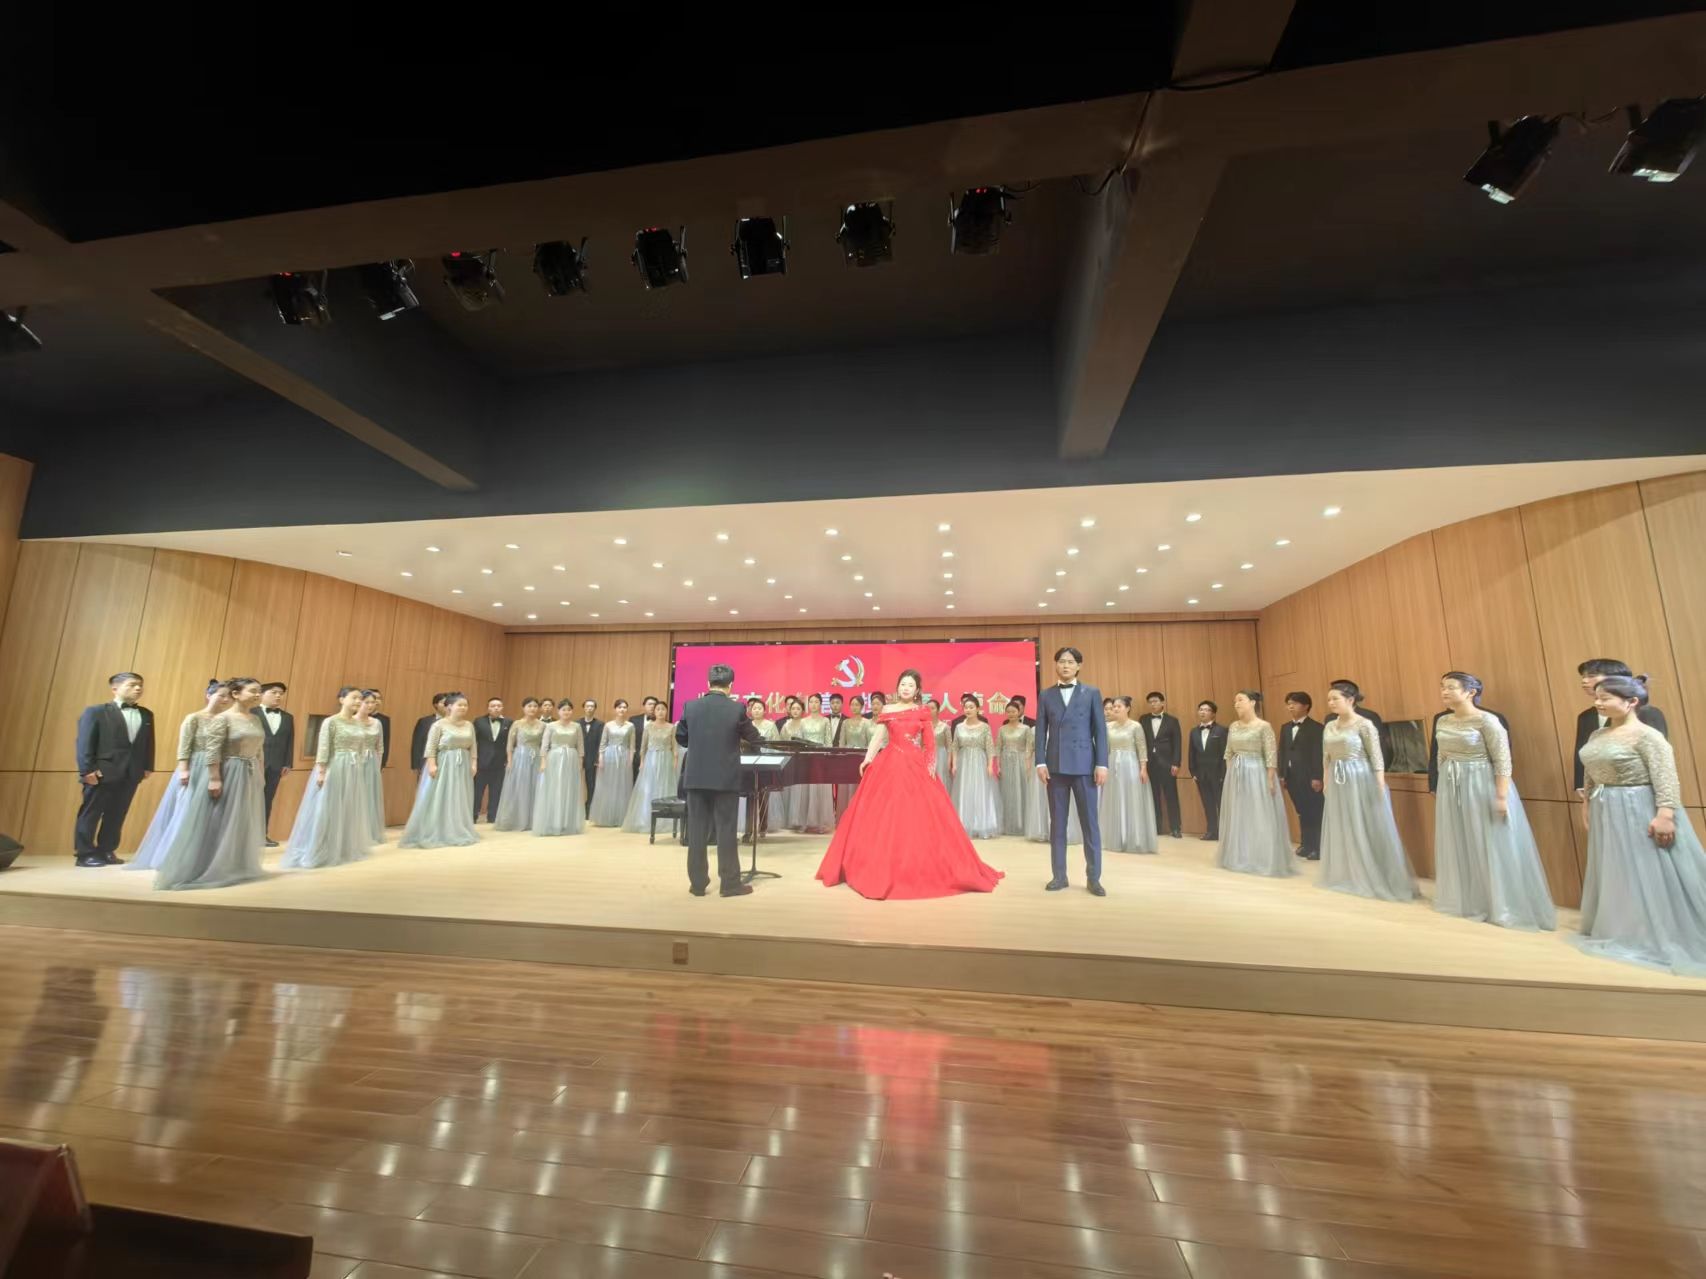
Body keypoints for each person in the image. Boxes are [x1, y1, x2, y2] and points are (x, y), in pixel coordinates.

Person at [816, 670, 1003, 899]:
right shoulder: (888, 710)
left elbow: (929, 743)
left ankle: (918, 865)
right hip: (889, 762)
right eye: (903, 684)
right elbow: (878, 737)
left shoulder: (922, 711)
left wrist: (930, 765)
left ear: (917, 690)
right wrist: (868, 758)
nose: (905, 688)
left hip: (915, 765)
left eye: (910, 685)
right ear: (898, 687)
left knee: (920, 816)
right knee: (882, 815)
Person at [1574, 674, 1706, 974]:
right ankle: (1624, 927)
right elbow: (1591, 771)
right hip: (1606, 806)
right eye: (1597, 697)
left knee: (1647, 869)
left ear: (1631, 701)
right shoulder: (1597, 735)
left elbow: (1666, 776)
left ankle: (1654, 932)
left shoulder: (1647, 736)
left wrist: (1665, 814)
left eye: (1605, 698)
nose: (1598, 703)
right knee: (1618, 868)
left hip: (1638, 806)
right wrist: (1587, 802)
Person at [1432, 672, 1556, 930]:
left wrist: (1501, 795)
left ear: (1471, 692)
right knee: (1462, 838)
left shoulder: (1488, 720)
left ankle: (1502, 904)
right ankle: (1473, 901)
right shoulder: (1442, 720)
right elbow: (1441, 755)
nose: (1444, 692)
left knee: (1490, 840)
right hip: (1452, 784)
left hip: (1482, 783)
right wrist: (1442, 785)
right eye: (1443, 687)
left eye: (1451, 687)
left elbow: (1502, 760)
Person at [157, 678, 267, 891]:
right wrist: (214, 778)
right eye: (253, 691)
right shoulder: (223, 719)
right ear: (236, 694)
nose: (258, 695)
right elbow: (212, 751)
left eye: (259, 691)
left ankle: (236, 865)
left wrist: (260, 773)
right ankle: (208, 866)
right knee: (219, 818)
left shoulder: (255, 719)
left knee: (241, 819)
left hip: (249, 771)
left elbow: (260, 749)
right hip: (229, 770)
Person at [1319, 680, 1416, 902]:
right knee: (1344, 824)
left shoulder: (1365, 724)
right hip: (1337, 779)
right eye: (1329, 699)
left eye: (1335, 698)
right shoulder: (1329, 725)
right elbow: (1326, 756)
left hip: (1359, 777)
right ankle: (1350, 874)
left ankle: (1372, 875)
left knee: (1363, 823)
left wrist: (1380, 783)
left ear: (1350, 700)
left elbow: (1376, 756)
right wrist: (1326, 779)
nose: (1331, 702)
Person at [678, 664, 765, 896]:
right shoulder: (737, 709)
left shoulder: (690, 706)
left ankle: (697, 885)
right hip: (725, 778)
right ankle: (730, 884)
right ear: (731, 686)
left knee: (697, 831)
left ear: (708, 684)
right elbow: (754, 738)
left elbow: (682, 738)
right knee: (726, 830)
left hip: (696, 778)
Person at [131, 680, 230, 872]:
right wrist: (184, 769)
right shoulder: (194, 718)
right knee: (186, 810)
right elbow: (184, 746)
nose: (225, 700)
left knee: (209, 813)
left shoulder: (226, 720)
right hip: (195, 766)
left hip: (217, 767)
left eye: (228, 697)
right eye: (221, 695)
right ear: (208, 695)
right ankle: (174, 857)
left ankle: (200, 857)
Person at [1036, 647, 1109, 896]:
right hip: (1055, 768)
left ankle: (1094, 878)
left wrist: (1101, 764)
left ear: (1079, 666)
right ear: (1056, 665)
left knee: (1090, 824)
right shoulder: (1046, 695)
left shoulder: (1091, 693)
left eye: (1070, 662)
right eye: (1061, 661)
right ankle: (1059, 876)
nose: (1065, 665)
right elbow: (1040, 731)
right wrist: (1040, 762)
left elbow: (1100, 731)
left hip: (1085, 767)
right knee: (1057, 824)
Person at [282, 686, 380, 870]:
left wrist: (360, 766)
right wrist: (321, 771)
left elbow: (361, 747)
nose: (358, 701)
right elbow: (324, 747)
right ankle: (319, 848)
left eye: (360, 698)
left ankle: (341, 848)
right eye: (354, 698)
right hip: (335, 766)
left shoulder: (358, 723)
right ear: (342, 700)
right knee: (326, 807)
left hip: (353, 768)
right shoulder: (331, 721)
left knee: (347, 807)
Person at [74, 672, 156, 867]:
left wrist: (147, 766)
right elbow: (84, 743)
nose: (138, 688)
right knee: (91, 812)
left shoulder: (146, 714)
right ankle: (84, 854)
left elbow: (149, 742)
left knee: (118, 813)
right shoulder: (95, 711)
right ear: (115, 688)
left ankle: (106, 850)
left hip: (131, 772)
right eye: (132, 684)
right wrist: (87, 770)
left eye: (140, 685)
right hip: (101, 772)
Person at [1217, 691, 1294, 878]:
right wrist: (1230, 775)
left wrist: (1270, 779)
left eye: (1240, 700)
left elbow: (1271, 755)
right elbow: (1228, 753)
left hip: (1257, 773)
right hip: (1236, 774)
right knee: (1239, 814)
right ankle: (1240, 856)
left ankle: (1262, 857)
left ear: (1252, 702)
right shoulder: (1233, 726)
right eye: (1235, 701)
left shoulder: (1263, 726)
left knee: (1259, 813)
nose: (1236, 704)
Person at [1573, 659, 1669, 793]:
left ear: (1616, 679)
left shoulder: (1648, 713)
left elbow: (1659, 760)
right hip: (1599, 791)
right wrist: (1581, 784)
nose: (1584, 681)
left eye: (1591, 676)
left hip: (1638, 790)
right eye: (1583, 677)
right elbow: (1582, 751)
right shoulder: (1585, 716)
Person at [400, 693, 479, 848]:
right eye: (460, 705)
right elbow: (431, 747)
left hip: (462, 764)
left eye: (465, 705)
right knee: (440, 796)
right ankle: (436, 829)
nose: (463, 708)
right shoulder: (439, 725)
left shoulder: (469, 725)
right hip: (444, 763)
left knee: (458, 796)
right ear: (449, 707)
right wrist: (432, 765)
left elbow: (473, 746)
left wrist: (474, 763)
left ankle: (456, 829)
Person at [1101, 697, 1157, 854]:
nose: (1115, 709)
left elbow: (1142, 748)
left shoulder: (1135, 726)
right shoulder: (1108, 726)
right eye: (1114, 706)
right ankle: (1118, 838)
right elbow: (1105, 749)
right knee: (1115, 799)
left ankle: (1135, 839)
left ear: (1128, 708)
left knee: (1131, 798)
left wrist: (1143, 768)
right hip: (1113, 764)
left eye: (1119, 706)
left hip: (1130, 764)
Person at [1278, 692, 1324, 860]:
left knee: (1315, 811)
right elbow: (1282, 752)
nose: (1290, 706)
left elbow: (1317, 754)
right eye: (1289, 703)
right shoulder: (1285, 727)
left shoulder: (1317, 728)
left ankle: (1318, 847)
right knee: (1302, 811)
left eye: (1295, 703)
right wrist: (1282, 775)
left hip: (1309, 777)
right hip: (1291, 776)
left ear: (1306, 706)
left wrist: (1317, 777)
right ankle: (1306, 844)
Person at [624, 700, 682, 832]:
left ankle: (665, 821)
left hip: (666, 759)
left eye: (663, 709)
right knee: (648, 788)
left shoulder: (671, 727)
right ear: (654, 712)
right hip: (651, 760)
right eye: (658, 709)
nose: (661, 712)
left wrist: (675, 761)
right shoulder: (649, 727)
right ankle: (644, 819)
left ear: (667, 711)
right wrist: (642, 762)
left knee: (664, 787)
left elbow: (674, 747)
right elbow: (643, 747)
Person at [949, 694, 1000, 839]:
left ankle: (982, 825)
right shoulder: (959, 727)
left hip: (979, 762)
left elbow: (989, 747)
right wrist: (954, 764)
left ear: (978, 709)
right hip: (964, 763)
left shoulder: (985, 727)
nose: (968, 710)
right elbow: (955, 747)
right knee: (965, 792)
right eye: (966, 707)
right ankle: (964, 825)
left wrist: (990, 765)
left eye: (971, 707)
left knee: (980, 792)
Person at [533, 701, 586, 836]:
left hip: (572, 758)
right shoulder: (550, 726)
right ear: (558, 711)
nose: (566, 712)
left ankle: (567, 822)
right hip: (554, 758)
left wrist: (580, 762)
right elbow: (545, 745)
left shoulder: (577, 726)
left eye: (569, 709)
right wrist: (543, 762)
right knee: (555, 788)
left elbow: (580, 746)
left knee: (569, 789)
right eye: (563, 709)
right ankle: (554, 821)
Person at [494, 697, 547, 831]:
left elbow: (544, 745)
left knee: (535, 788)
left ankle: (533, 820)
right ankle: (517, 819)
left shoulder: (543, 725)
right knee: (519, 787)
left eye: (535, 706)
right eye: (529, 706)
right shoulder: (517, 724)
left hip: (536, 758)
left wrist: (543, 761)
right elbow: (510, 744)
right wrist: (510, 761)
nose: (532, 709)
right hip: (520, 757)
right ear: (523, 708)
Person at [253, 681, 294, 847]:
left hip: (276, 765)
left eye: (281, 693)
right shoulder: (251, 712)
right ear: (262, 694)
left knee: (267, 800)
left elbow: (289, 741)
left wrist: (287, 763)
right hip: (253, 763)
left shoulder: (288, 717)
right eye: (274, 692)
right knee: (247, 799)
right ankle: (243, 836)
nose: (278, 696)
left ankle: (262, 835)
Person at [788, 695, 836, 833]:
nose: (813, 704)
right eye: (811, 702)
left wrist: (827, 758)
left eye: (816, 702)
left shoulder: (825, 721)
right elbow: (800, 741)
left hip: (820, 759)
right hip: (805, 759)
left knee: (819, 790)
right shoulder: (803, 722)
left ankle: (820, 823)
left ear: (821, 704)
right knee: (805, 791)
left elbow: (828, 742)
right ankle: (804, 822)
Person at [1140, 691, 1183, 839]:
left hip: (1167, 764)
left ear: (1162, 702)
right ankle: (1156, 828)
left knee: (1171, 796)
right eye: (1150, 702)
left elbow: (1177, 743)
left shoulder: (1172, 721)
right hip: (1150, 764)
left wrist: (1176, 762)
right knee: (1153, 797)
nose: (1153, 704)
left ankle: (1176, 828)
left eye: (1156, 701)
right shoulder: (1143, 719)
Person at [589, 700, 636, 826]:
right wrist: (601, 759)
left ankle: (620, 817)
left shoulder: (630, 726)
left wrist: (630, 760)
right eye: (619, 707)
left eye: (624, 707)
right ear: (615, 709)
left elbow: (632, 746)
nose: (622, 709)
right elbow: (603, 743)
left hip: (624, 756)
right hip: (609, 755)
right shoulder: (608, 725)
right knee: (608, 785)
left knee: (622, 786)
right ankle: (606, 816)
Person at [1188, 700, 1228, 842]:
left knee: (1221, 804)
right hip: (1201, 774)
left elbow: (1225, 754)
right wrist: (1193, 772)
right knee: (1208, 804)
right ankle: (1212, 831)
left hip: (1218, 774)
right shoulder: (1194, 731)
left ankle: (1225, 832)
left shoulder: (1222, 730)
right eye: (1200, 709)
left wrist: (1224, 773)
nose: (1202, 712)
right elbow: (1191, 753)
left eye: (1206, 710)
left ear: (1213, 714)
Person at [741, 697, 780, 836]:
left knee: (764, 795)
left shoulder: (770, 725)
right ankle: (749, 828)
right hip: (749, 764)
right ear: (750, 710)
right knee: (750, 795)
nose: (756, 710)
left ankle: (763, 827)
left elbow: (776, 744)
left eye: (759, 708)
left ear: (764, 710)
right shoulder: (746, 725)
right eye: (754, 708)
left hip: (766, 763)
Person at [996, 696, 1033, 837]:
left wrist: (1028, 765)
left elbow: (1029, 748)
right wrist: (998, 766)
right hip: (1006, 762)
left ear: (1019, 712)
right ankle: (1007, 824)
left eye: (1013, 711)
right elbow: (998, 748)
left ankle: (1022, 824)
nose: (1011, 714)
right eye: (1008, 712)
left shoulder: (1026, 729)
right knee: (1006, 792)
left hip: (1021, 762)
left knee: (1021, 791)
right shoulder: (1002, 729)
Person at [471, 697, 511, 822]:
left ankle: (493, 816)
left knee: (496, 791)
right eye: (493, 706)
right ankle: (473, 815)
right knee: (477, 791)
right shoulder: (479, 721)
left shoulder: (509, 722)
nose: (496, 708)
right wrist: (473, 760)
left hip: (499, 763)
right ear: (488, 708)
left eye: (499, 706)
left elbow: (511, 743)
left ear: (502, 707)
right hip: (481, 762)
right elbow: (473, 741)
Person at [357, 691, 386, 840]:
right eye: (366, 702)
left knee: (369, 795)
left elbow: (380, 747)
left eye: (372, 702)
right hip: (355, 760)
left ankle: (367, 831)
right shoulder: (351, 720)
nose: (370, 705)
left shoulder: (377, 723)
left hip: (371, 762)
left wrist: (377, 767)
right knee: (355, 794)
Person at [410, 694, 448, 773]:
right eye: (443, 702)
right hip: (427, 763)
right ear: (435, 705)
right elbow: (417, 743)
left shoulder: (455, 723)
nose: (445, 705)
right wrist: (416, 765)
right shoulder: (425, 721)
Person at [579, 699, 604, 812]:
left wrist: (597, 758)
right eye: (587, 706)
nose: (589, 708)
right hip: (578, 756)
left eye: (592, 706)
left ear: (595, 709)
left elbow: (601, 743)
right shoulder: (577, 723)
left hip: (592, 757)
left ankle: (589, 806)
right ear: (584, 708)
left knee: (591, 782)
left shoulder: (600, 724)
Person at [367, 690, 392, 768]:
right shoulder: (355, 717)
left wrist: (383, 762)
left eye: (379, 698)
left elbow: (385, 741)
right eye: (374, 698)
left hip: (374, 759)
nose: (376, 701)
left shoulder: (384, 720)